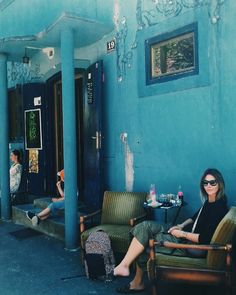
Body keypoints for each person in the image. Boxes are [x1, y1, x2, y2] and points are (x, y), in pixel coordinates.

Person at [114, 168, 228, 293]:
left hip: (191, 246)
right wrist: (181, 225)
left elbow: (206, 238)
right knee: (145, 226)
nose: (209, 186)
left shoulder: (219, 207)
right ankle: (126, 268)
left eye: (213, 182)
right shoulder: (212, 200)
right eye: (205, 183)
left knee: (144, 237)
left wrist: (181, 233)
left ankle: (132, 276)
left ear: (219, 183)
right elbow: (195, 217)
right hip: (185, 234)